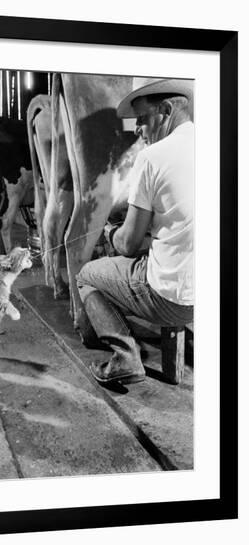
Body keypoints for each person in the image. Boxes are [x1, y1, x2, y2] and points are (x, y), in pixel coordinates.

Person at [76, 78, 194, 384]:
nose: (137, 130)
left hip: (175, 299)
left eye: (142, 119)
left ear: (166, 110)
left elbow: (128, 244)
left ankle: (125, 356)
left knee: (87, 275)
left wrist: (111, 233)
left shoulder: (152, 157)